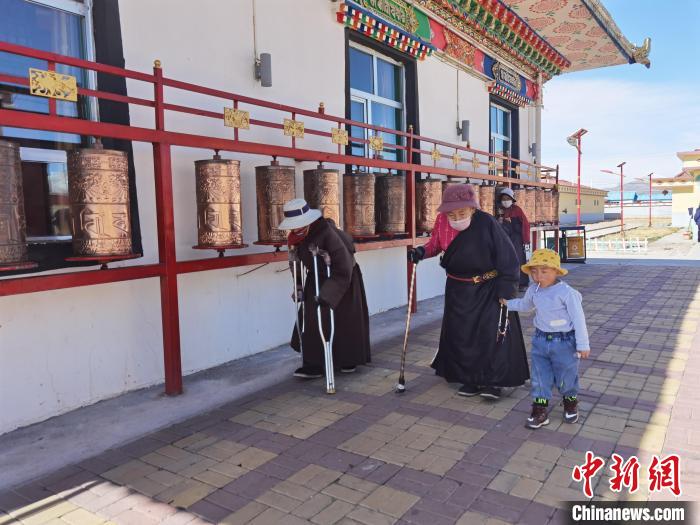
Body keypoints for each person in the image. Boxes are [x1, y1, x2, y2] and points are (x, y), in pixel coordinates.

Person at [408, 184, 529, 400]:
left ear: (473, 208)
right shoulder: (442, 221)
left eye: (462, 212)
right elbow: (435, 244)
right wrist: (421, 252)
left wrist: (506, 289)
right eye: (451, 213)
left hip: (488, 288)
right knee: (462, 335)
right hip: (458, 289)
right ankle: (470, 379)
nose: (456, 217)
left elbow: (508, 258)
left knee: (489, 334)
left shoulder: (487, 223)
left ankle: (493, 382)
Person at [279, 198, 371, 378]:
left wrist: (328, 294)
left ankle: (348, 359)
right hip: (317, 276)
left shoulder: (327, 233)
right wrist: (298, 285)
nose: (295, 228)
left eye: (299, 224)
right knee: (311, 318)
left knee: (344, 318)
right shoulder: (294, 239)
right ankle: (314, 363)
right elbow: (295, 264)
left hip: (343, 276)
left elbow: (343, 266)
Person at [502, 249, 590, 429]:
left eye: (544, 271)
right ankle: (539, 410)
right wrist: (507, 304)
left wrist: (583, 344)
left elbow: (579, 319)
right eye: (534, 271)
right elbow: (525, 305)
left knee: (566, 375)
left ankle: (570, 402)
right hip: (540, 341)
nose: (538, 276)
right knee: (539, 375)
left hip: (564, 342)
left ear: (556, 271)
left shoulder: (567, 293)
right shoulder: (534, 289)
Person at [497, 188, 530, 291]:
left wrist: (510, 222)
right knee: (506, 262)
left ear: (512, 199)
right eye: (503, 199)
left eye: (507, 198)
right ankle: (510, 284)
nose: (505, 201)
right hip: (505, 240)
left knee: (519, 261)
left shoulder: (517, 210)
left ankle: (522, 283)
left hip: (516, 240)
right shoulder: (499, 210)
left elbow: (524, 226)